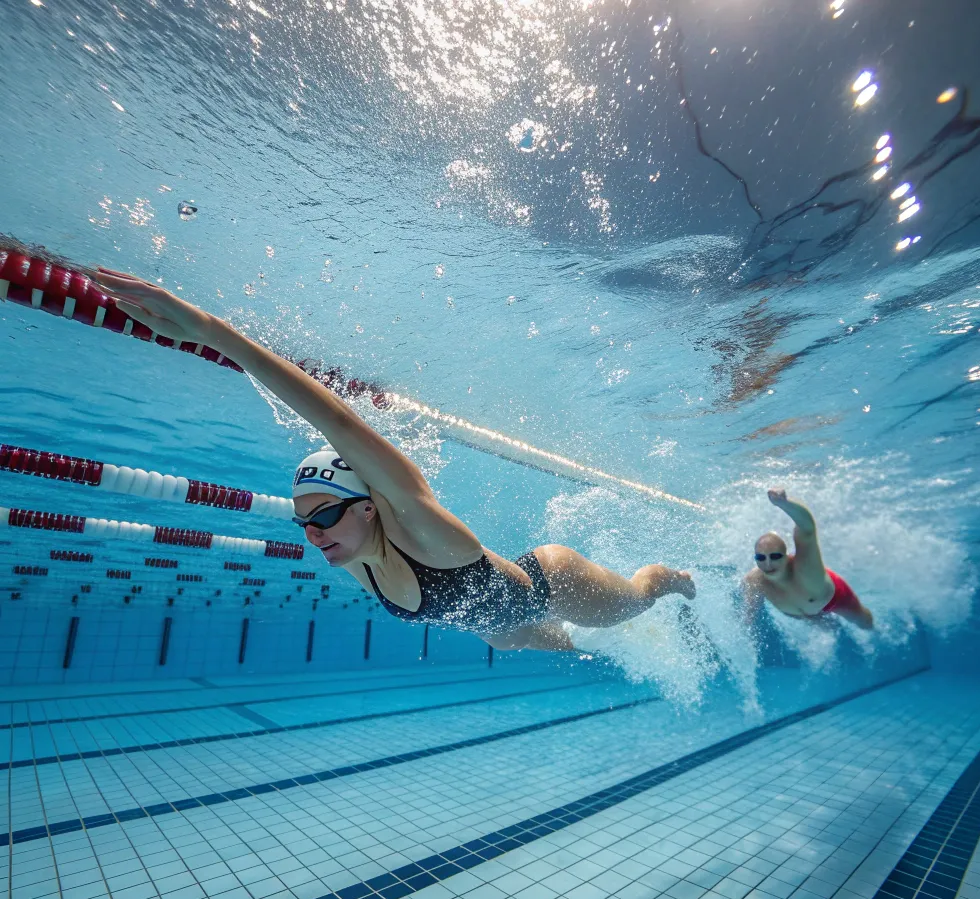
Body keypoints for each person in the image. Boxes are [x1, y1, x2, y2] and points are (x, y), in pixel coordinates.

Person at [94, 268, 697, 651]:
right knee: (540, 646)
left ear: (371, 506)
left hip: (548, 585)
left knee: (629, 607)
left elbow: (339, 424)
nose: (312, 533)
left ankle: (667, 578)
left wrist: (212, 333)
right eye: (306, 522)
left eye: (325, 515)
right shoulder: (356, 558)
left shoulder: (427, 533)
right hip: (495, 626)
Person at [742, 488, 873, 629]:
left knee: (865, 624)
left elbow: (807, 528)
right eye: (760, 557)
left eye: (775, 556)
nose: (767, 564)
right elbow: (749, 617)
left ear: (786, 557)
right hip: (805, 614)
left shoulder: (804, 568)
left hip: (835, 598)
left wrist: (784, 503)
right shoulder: (754, 581)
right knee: (832, 629)